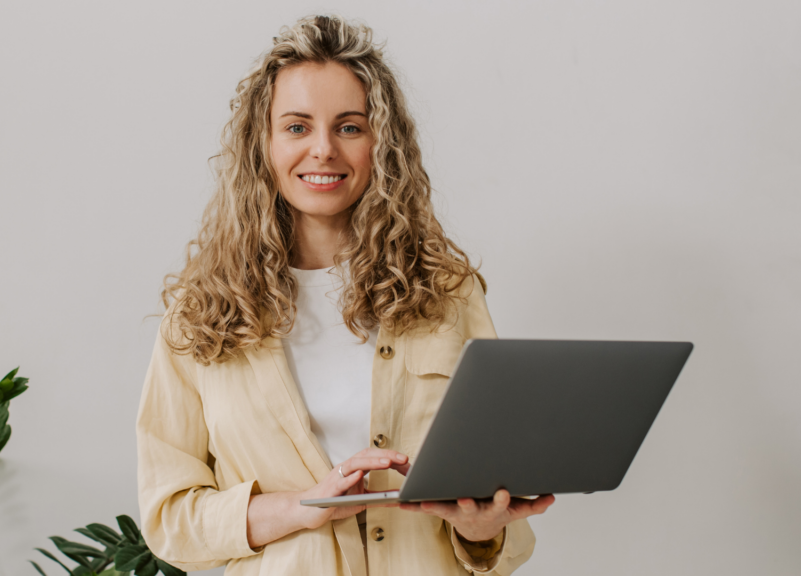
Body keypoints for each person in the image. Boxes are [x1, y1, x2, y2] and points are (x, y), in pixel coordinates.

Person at [136, 14, 555, 576]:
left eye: (350, 127)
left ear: (382, 144)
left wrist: (483, 532)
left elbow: (498, 490)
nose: (324, 150)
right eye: (297, 127)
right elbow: (170, 519)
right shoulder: (201, 311)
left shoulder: (448, 294)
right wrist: (306, 508)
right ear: (262, 144)